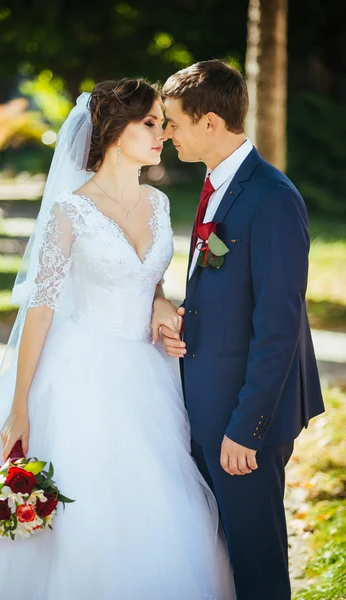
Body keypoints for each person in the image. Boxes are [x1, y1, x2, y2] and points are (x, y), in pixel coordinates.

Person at [0, 79, 235, 600]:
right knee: (86, 503)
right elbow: (41, 308)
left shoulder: (159, 202)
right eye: (149, 122)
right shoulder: (71, 209)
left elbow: (151, 281)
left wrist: (161, 302)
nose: (162, 134)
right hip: (81, 371)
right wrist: (20, 407)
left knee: (155, 499)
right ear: (112, 130)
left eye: (161, 123)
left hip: (147, 374)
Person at [160, 60, 325, 600]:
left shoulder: (273, 198)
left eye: (174, 122)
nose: (167, 135)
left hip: (246, 419)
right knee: (224, 560)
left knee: (257, 568)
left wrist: (246, 429)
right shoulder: (216, 185)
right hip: (210, 403)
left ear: (210, 122)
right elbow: (225, 292)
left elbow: (278, 326)